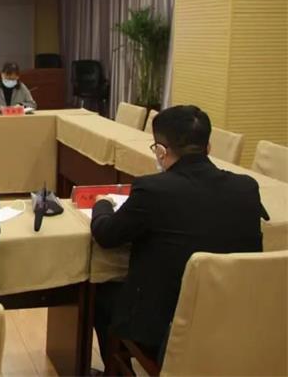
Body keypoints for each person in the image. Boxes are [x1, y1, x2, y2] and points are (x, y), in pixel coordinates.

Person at [91, 105, 263, 368]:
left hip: (166, 331)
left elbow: (106, 235)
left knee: (100, 292)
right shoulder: (247, 188)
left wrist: (101, 204)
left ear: (161, 151)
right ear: (208, 147)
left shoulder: (152, 189)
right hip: (234, 322)